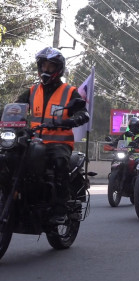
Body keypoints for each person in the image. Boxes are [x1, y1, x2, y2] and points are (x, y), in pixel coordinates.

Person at [15, 47, 89, 224]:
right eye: (44, 66)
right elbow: (15, 108)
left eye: (50, 66)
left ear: (59, 69)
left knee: (58, 164)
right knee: (9, 157)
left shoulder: (69, 91)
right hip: (32, 141)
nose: (46, 70)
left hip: (58, 144)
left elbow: (83, 113)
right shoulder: (32, 91)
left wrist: (69, 121)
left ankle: (60, 209)